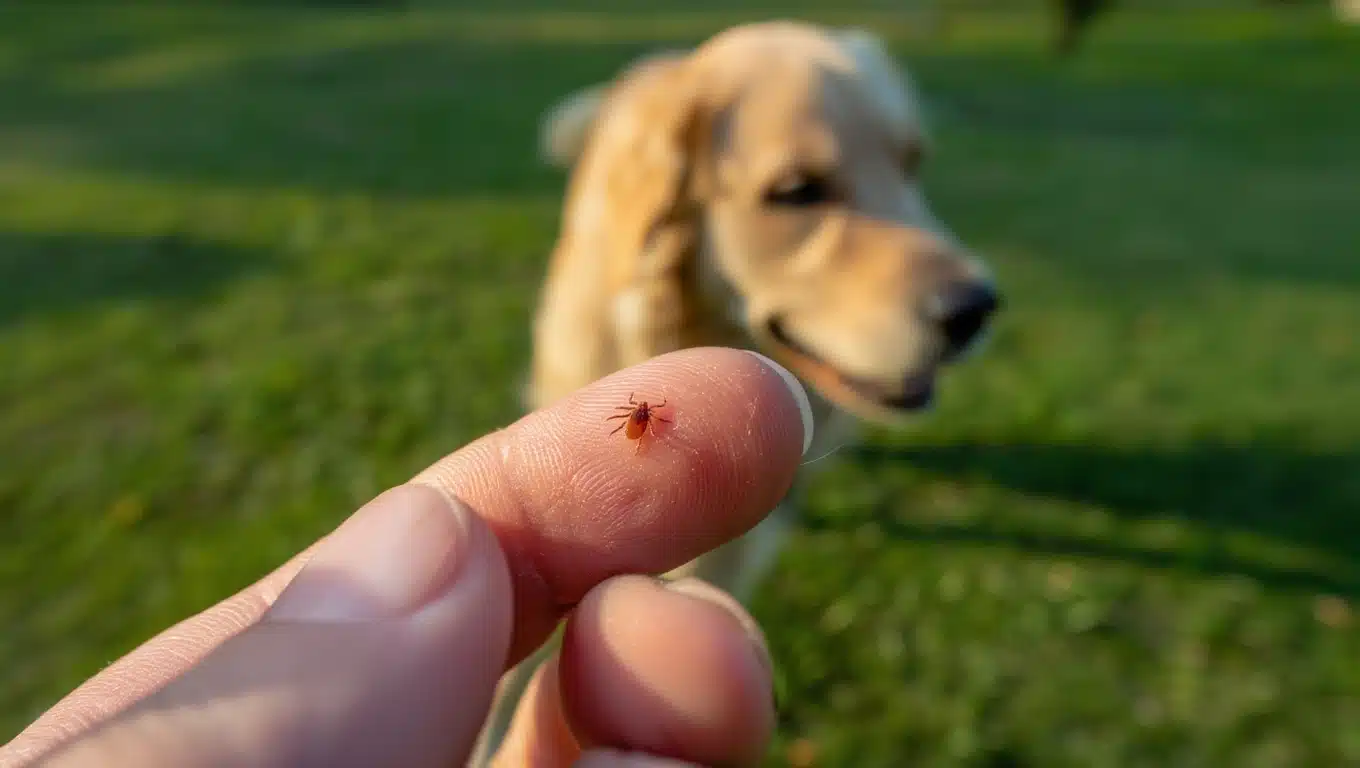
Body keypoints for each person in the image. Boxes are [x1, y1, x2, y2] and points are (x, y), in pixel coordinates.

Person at [2, 347, 816, 768]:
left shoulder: (638, 418)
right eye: (640, 414)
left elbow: (640, 426)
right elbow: (642, 428)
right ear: (639, 414)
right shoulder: (643, 420)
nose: (640, 416)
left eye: (641, 415)